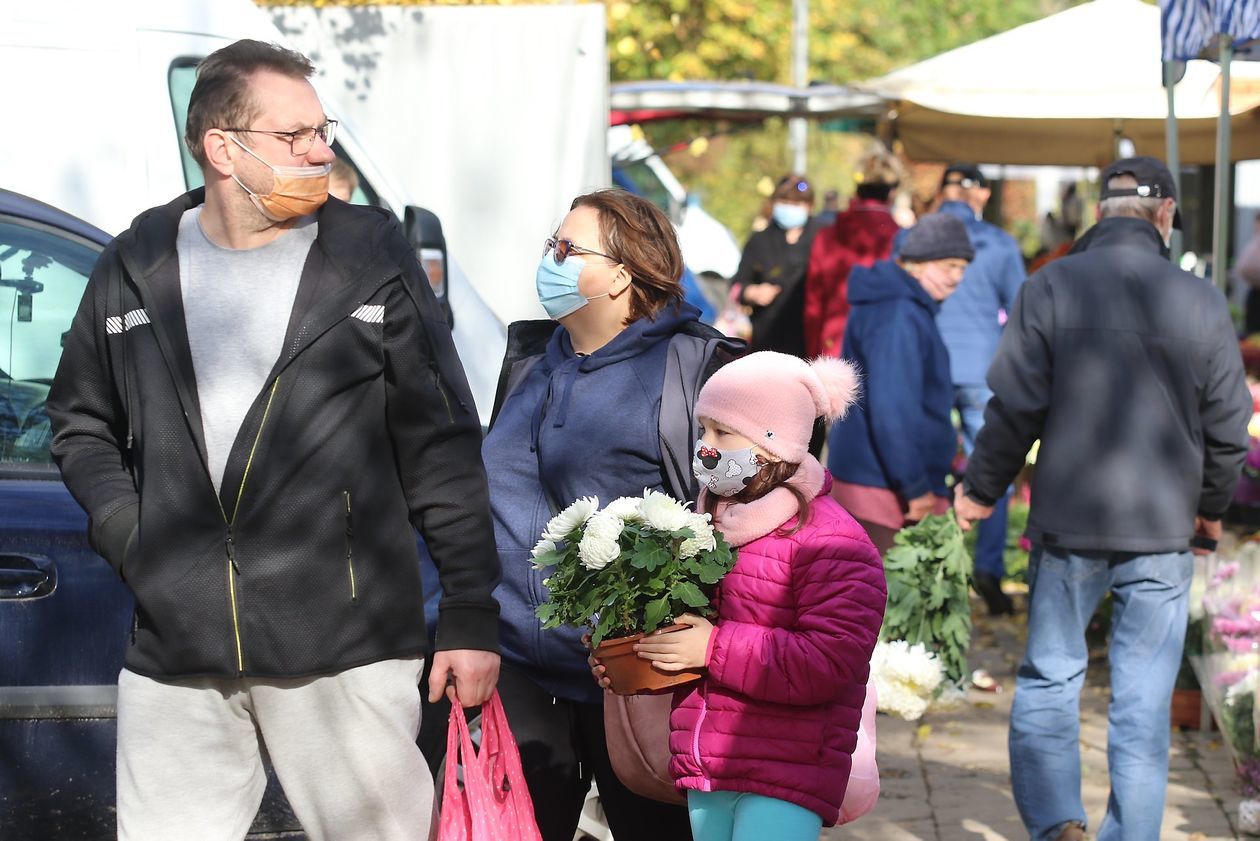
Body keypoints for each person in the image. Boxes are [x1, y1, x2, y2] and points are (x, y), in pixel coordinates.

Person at [45, 40, 500, 841]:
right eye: (298, 137)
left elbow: (442, 438)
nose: (322, 152)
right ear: (223, 149)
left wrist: (468, 609)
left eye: (322, 131)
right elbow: (79, 419)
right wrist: (135, 537)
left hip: (346, 640)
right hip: (177, 646)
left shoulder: (370, 253)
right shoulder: (137, 259)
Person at [955, 156, 1251, 841]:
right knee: (1144, 702)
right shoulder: (1199, 298)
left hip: (1069, 521)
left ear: (1098, 213)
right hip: (1165, 524)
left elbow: (1013, 407)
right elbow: (1228, 425)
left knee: (1051, 679)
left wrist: (978, 489)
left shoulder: (1050, 283)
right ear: (1166, 216)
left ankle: (1057, 823)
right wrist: (1210, 504)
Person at [483, 187, 743, 841]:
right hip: (520, 666)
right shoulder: (530, 360)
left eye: (568, 249)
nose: (551, 259)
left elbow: (745, 519)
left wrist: (710, 641)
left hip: (639, 676)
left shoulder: (696, 369)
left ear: (624, 272)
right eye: (552, 245)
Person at [592, 351, 885, 841]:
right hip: (708, 759)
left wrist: (712, 647)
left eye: (723, 433)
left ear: (774, 442)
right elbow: (687, 638)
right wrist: (633, 652)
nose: (706, 447)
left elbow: (831, 660)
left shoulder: (832, 542)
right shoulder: (705, 529)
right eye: (703, 429)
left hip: (788, 767)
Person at [897, 162, 1025, 614]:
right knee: (988, 468)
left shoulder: (911, 240)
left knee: (924, 465)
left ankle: (925, 567)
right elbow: (1021, 312)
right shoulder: (1001, 245)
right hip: (982, 370)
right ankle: (987, 567)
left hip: (926, 366)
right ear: (983, 196)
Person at [827, 213, 974, 555]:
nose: (957, 278)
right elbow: (894, 407)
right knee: (884, 599)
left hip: (877, 478)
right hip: (883, 487)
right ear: (916, 263)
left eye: (963, 268)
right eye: (949, 265)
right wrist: (915, 486)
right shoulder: (898, 313)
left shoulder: (898, 304)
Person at [804, 145, 903, 358]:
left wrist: (815, 354)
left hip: (833, 343)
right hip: (886, 345)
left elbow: (814, 304)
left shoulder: (827, 236)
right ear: (892, 192)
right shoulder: (901, 240)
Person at [734, 175, 822, 357]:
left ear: (810, 206)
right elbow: (736, 287)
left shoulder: (822, 238)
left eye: (797, 204)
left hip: (812, 342)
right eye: (784, 202)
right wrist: (753, 292)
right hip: (767, 341)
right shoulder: (759, 240)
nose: (790, 208)